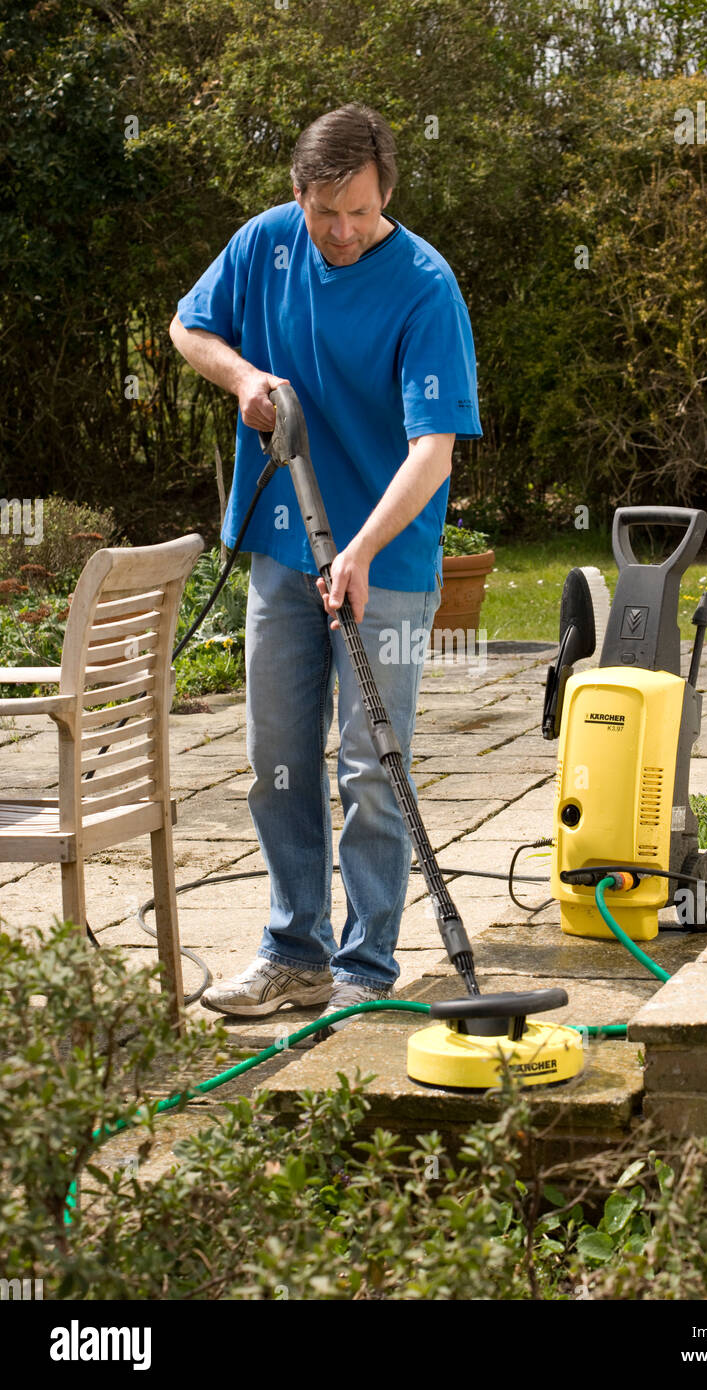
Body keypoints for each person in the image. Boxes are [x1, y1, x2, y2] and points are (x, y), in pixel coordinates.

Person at [169, 103, 482, 1034]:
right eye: (322, 210)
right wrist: (244, 381)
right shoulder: (265, 244)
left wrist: (362, 548)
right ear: (297, 194)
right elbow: (191, 328)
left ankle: (368, 962)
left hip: (383, 557)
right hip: (279, 544)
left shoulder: (425, 286)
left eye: (357, 210)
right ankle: (292, 953)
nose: (339, 231)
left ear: (386, 192)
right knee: (275, 758)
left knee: (370, 765)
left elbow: (434, 452)